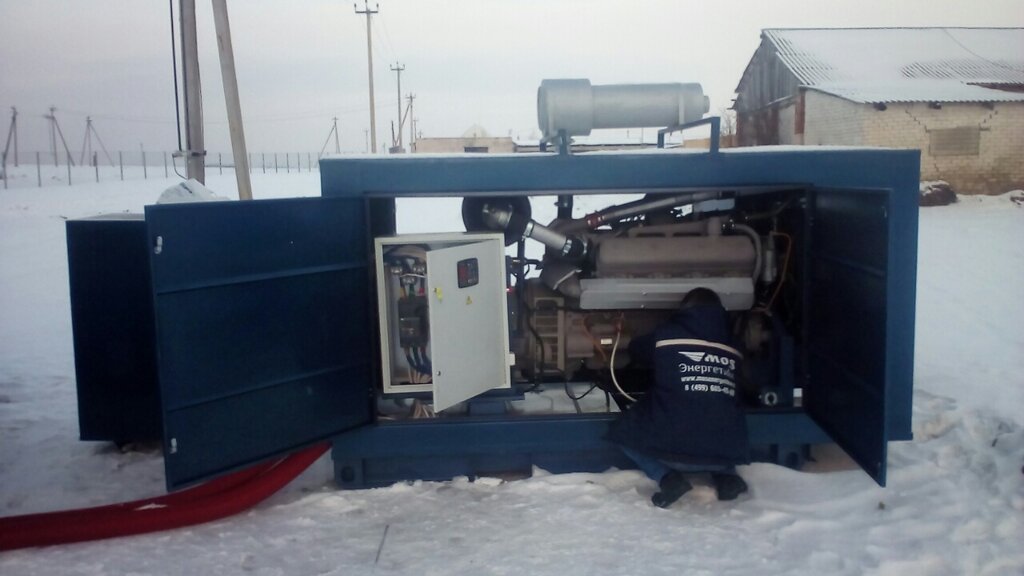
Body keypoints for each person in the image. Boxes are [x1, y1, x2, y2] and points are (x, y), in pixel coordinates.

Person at [607, 287, 750, 507]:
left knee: (621, 432)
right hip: (724, 455)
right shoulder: (735, 345)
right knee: (718, 412)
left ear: (685, 311)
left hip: (671, 454)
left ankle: (668, 478)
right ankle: (727, 478)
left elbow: (637, 349)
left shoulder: (666, 335)